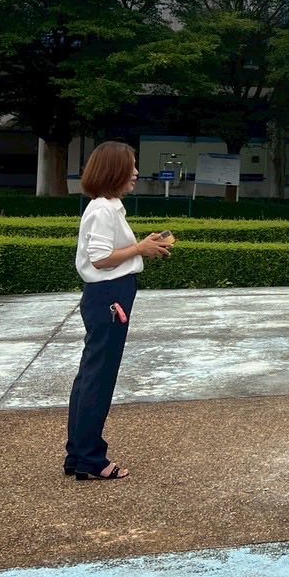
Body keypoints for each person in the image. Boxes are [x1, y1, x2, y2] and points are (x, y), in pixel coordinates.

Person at [65, 142, 172, 481]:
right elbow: (99, 259)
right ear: (113, 171)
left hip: (108, 295)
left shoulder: (107, 207)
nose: (136, 173)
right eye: (131, 166)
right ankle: (90, 458)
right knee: (99, 377)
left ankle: (78, 454)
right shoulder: (103, 209)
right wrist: (140, 248)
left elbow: (107, 253)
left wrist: (142, 246)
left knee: (91, 374)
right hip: (110, 296)